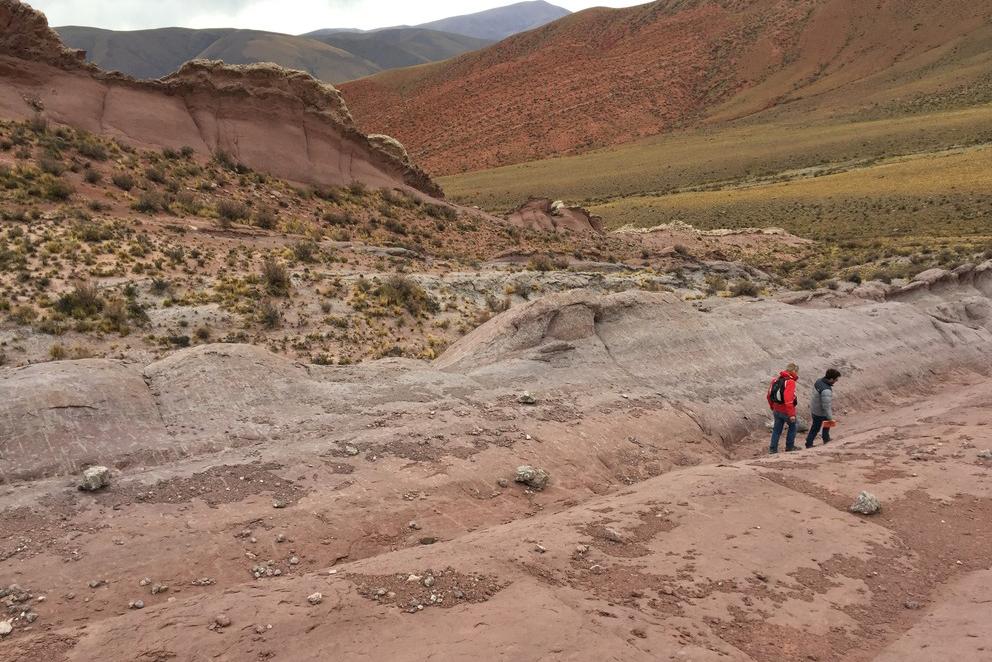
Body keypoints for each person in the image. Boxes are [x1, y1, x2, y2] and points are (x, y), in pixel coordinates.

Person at [767, 363, 800, 454]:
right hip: (786, 410)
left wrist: (772, 407)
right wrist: (791, 414)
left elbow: (769, 395)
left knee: (777, 430)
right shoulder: (790, 382)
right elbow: (788, 399)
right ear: (794, 371)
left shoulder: (775, 380)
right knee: (793, 426)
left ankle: (773, 449)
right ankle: (789, 447)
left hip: (776, 409)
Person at [806, 368, 841, 448]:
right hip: (820, 412)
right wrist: (830, 417)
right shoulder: (826, 390)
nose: (836, 381)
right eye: (836, 379)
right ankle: (809, 444)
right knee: (818, 427)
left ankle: (825, 438)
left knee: (818, 426)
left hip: (814, 408)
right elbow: (826, 406)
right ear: (831, 379)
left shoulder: (819, 381)